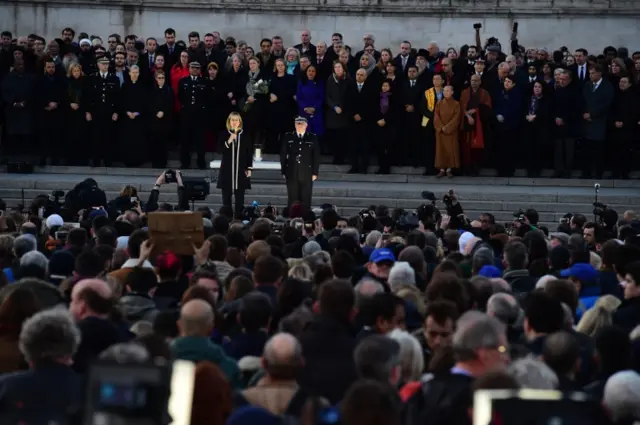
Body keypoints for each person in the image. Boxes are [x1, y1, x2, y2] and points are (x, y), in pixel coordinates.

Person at [85, 56, 120, 167]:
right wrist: (88, 112)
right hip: (96, 112)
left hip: (109, 112)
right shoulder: (92, 78)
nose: (105, 65)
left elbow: (117, 97)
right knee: (96, 137)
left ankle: (108, 161)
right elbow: (87, 97)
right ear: (98, 64)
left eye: (107, 63)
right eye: (103, 63)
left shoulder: (114, 78)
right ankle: (96, 161)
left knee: (108, 137)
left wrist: (116, 111)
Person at [280, 116, 320, 210]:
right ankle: (293, 218)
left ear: (306, 125)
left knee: (306, 197)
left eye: (302, 124)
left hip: (307, 171)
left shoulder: (312, 137)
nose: (299, 126)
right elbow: (283, 155)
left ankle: (305, 217)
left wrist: (315, 172)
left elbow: (316, 156)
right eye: (297, 124)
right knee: (292, 197)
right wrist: (283, 170)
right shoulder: (288, 136)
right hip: (291, 170)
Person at [217, 112, 252, 218]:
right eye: (232, 120)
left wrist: (249, 168)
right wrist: (229, 140)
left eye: (236, 120)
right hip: (227, 170)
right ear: (229, 121)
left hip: (240, 170)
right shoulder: (224, 134)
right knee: (226, 197)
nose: (234, 122)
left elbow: (248, 153)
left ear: (239, 122)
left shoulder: (245, 135)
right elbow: (219, 150)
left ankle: (238, 218)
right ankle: (226, 219)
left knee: (240, 197)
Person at [178, 61, 207, 169]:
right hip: (186, 115)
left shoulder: (204, 82)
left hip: (199, 115)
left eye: (197, 68)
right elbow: (180, 96)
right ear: (189, 69)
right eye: (192, 67)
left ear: (200, 70)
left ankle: (201, 162)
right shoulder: (183, 81)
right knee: (185, 139)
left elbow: (207, 97)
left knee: (200, 139)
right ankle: (185, 162)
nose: (195, 70)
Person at [434, 85, 461, 178]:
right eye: (444, 91)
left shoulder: (456, 104)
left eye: (448, 91)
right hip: (440, 131)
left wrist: (448, 127)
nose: (446, 93)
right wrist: (441, 127)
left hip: (451, 132)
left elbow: (456, 118)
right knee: (440, 150)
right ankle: (441, 169)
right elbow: (436, 117)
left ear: (452, 92)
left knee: (451, 149)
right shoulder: (439, 103)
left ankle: (449, 169)